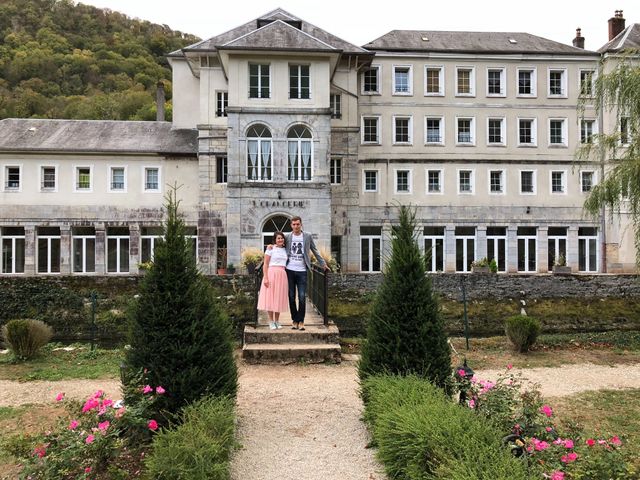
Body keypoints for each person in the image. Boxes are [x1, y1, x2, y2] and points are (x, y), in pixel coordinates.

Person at [285, 216, 328, 330]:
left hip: (302, 271)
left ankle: (301, 321)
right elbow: (278, 245)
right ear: (291, 225)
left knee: (302, 297)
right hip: (289, 270)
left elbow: (314, 250)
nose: (296, 226)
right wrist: (270, 247)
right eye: (293, 224)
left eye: (298, 224)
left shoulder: (307, 236)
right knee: (291, 296)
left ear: (301, 224)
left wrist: (323, 263)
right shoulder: (287, 236)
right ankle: (295, 320)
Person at [257, 231, 289, 329]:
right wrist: (265, 277)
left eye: (282, 238)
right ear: (275, 240)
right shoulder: (270, 249)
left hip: (282, 274)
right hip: (271, 273)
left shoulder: (285, 250)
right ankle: (271, 321)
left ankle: (277, 321)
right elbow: (265, 264)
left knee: (278, 297)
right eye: (278, 238)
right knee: (271, 297)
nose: (280, 240)